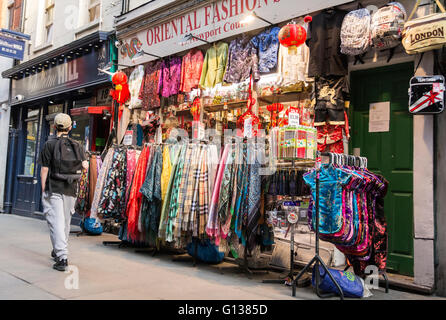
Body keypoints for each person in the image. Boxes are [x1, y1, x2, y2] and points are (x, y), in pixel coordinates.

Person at [38, 113, 88, 271]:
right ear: (70, 127)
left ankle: (62, 257)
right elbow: (85, 166)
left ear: (54, 126)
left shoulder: (49, 144)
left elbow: (44, 169)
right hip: (71, 188)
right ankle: (58, 249)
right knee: (65, 221)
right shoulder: (77, 145)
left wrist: (43, 189)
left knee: (55, 222)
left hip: (54, 187)